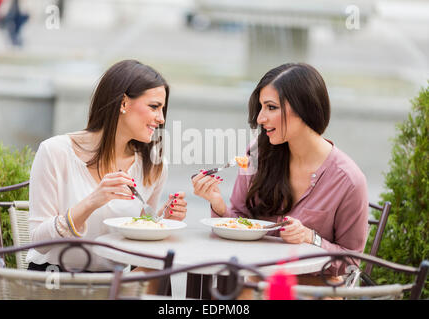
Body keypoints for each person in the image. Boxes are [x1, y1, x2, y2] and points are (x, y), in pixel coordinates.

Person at [192, 63, 369, 286]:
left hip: (315, 287)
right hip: (260, 280)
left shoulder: (348, 180)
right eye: (261, 107)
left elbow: (351, 262)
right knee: (232, 292)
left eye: (271, 107)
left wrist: (310, 237)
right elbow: (240, 221)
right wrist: (218, 205)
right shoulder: (258, 152)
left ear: (304, 108)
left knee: (239, 293)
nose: (260, 118)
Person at [27, 60, 187, 272]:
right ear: (123, 103)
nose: (161, 118)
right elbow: (39, 240)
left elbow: (140, 238)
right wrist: (93, 200)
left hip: (115, 284)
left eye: (163, 109)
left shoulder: (154, 166)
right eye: (154, 107)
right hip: (55, 279)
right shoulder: (55, 152)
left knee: (157, 271)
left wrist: (162, 220)